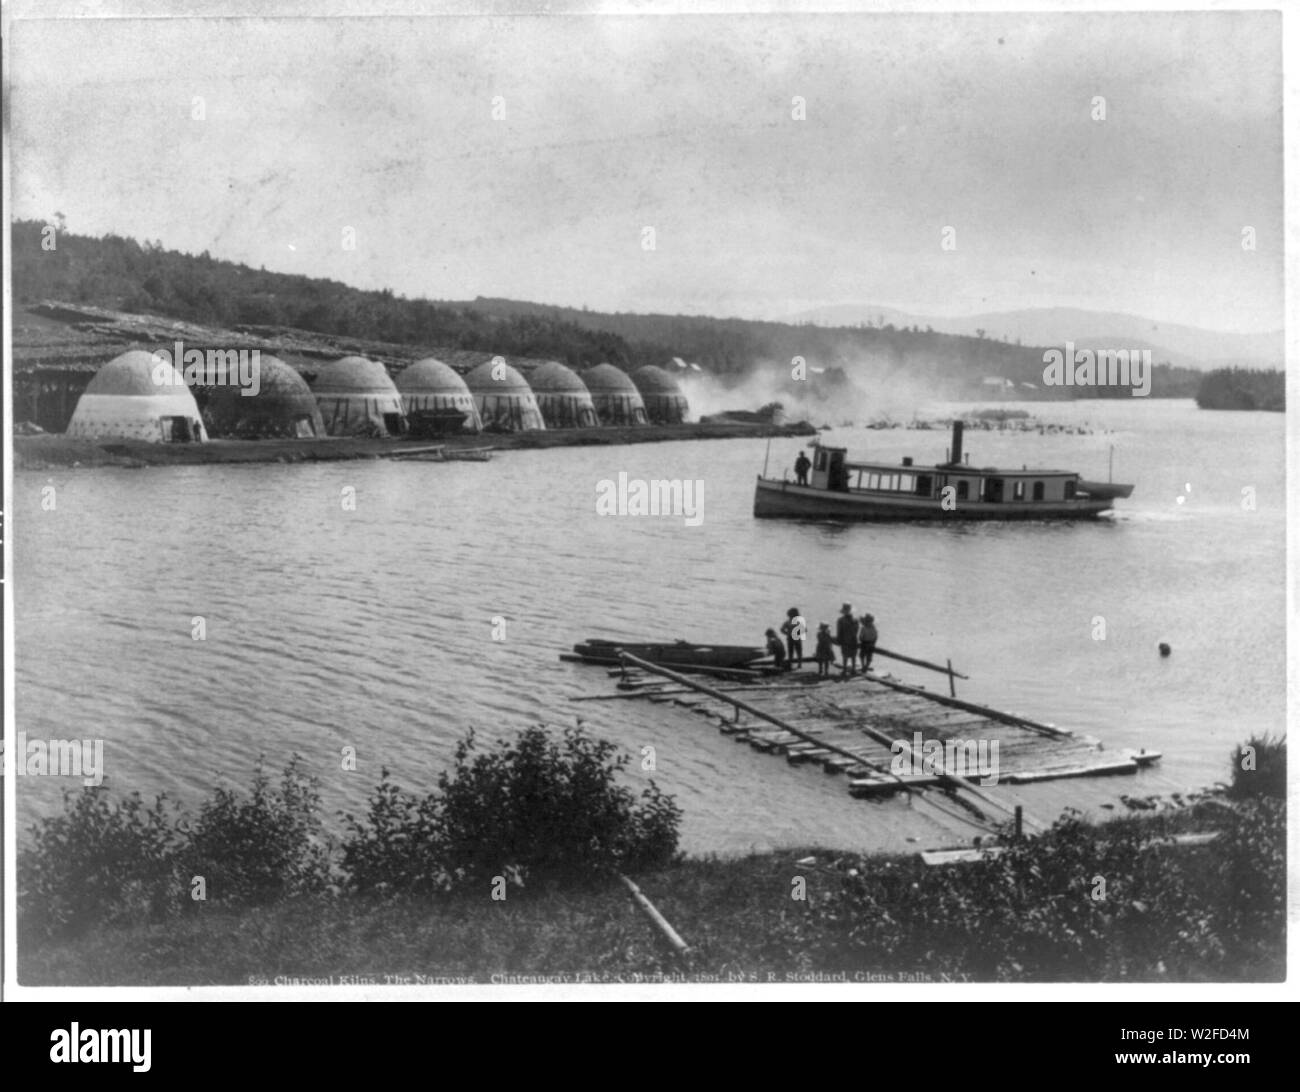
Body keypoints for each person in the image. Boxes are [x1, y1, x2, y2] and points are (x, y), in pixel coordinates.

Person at [836, 603, 858, 676]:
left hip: (845, 640)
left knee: (845, 655)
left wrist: (839, 640)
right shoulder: (855, 620)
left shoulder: (840, 620)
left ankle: (844, 670)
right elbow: (856, 631)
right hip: (853, 640)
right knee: (853, 656)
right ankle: (853, 669)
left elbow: (839, 632)